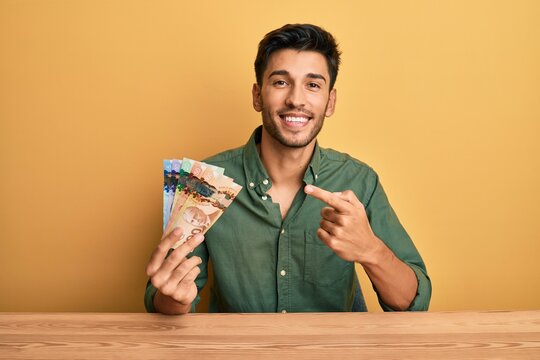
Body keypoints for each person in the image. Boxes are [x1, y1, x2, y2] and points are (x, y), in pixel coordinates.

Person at [145, 24, 431, 314]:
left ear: (330, 101)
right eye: (281, 82)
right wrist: (174, 298)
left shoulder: (359, 180)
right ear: (257, 96)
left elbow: (413, 302)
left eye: (313, 85)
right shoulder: (203, 183)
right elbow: (163, 302)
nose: (296, 99)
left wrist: (372, 251)